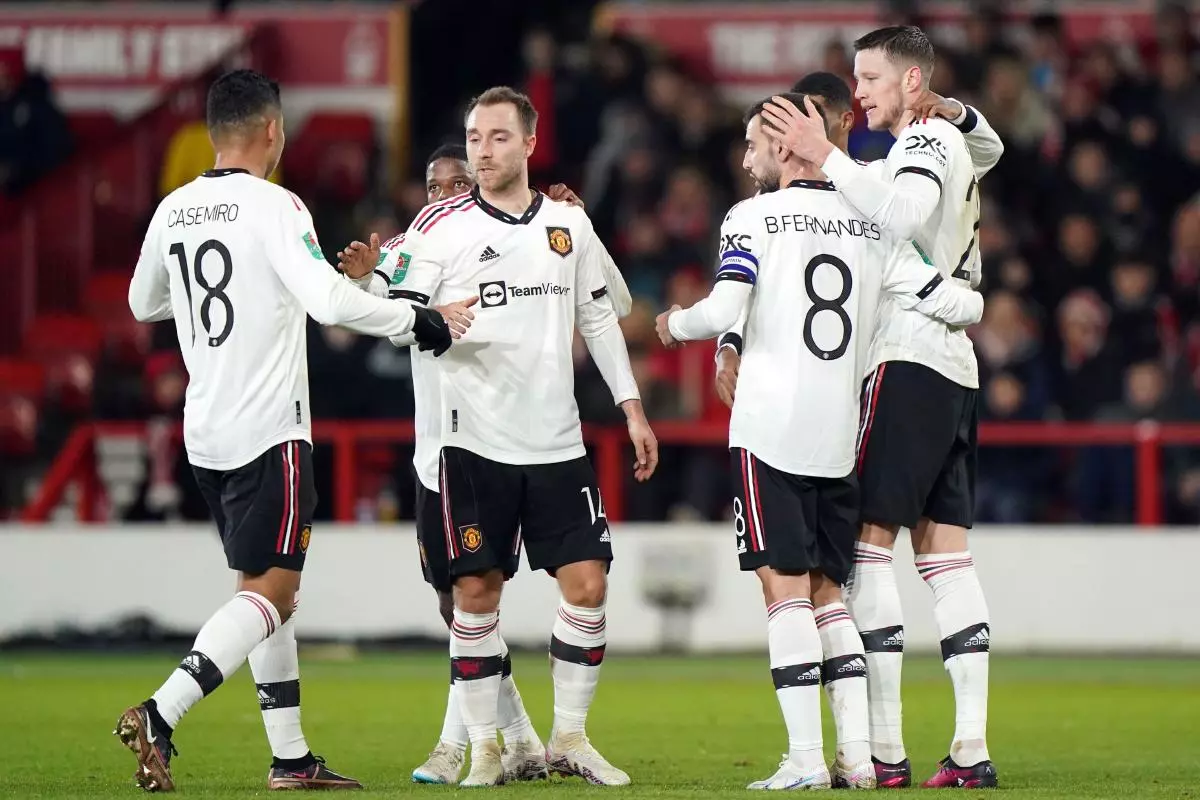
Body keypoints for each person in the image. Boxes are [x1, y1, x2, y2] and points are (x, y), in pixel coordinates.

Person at [117, 68, 451, 793]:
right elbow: (331, 303)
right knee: (272, 592)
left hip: (206, 431)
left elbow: (144, 303)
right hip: (269, 429)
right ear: (273, 131)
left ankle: (291, 760)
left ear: (214, 133)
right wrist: (416, 319)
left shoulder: (174, 208)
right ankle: (161, 712)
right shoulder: (276, 205)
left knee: (266, 594)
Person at [655, 92, 983, 791]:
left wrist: (676, 324)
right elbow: (951, 300)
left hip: (769, 430)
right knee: (830, 592)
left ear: (784, 145)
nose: (746, 156)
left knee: (785, 594)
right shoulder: (870, 226)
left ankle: (806, 759)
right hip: (838, 436)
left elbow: (725, 305)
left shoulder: (750, 217)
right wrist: (976, 296)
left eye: (754, 143)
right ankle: (859, 759)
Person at [388, 85, 657, 787]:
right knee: (476, 596)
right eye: (474, 138)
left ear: (531, 143)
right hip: (472, 441)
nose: (482, 151)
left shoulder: (567, 223)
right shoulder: (439, 225)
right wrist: (428, 315)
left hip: (556, 441)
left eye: (498, 137)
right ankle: (485, 749)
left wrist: (631, 407)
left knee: (588, 585)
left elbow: (599, 316)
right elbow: (394, 309)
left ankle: (569, 738)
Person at [758, 28, 1004, 789]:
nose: (858, 90)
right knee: (945, 557)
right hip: (952, 365)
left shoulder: (921, 143)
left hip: (908, 356)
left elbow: (898, 214)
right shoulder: (939, 136)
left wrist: (825, 154)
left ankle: (886, 751)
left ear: (911, 81)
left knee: (867, 550)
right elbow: (988, 147)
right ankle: (969, 750)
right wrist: (957, 110)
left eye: (870, 77)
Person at [336, 144, 622, 785]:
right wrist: (364, 278)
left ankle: (460, 746)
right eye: (434, 185)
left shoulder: (517, 241)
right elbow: (382, 313)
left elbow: (606, 305)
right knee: (457, 609)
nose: (445, 194)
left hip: (502, 447)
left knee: (477, 599)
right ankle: (517, 740)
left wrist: (575, 227)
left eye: (457, 182)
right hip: (434, 457)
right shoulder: (414, 252)